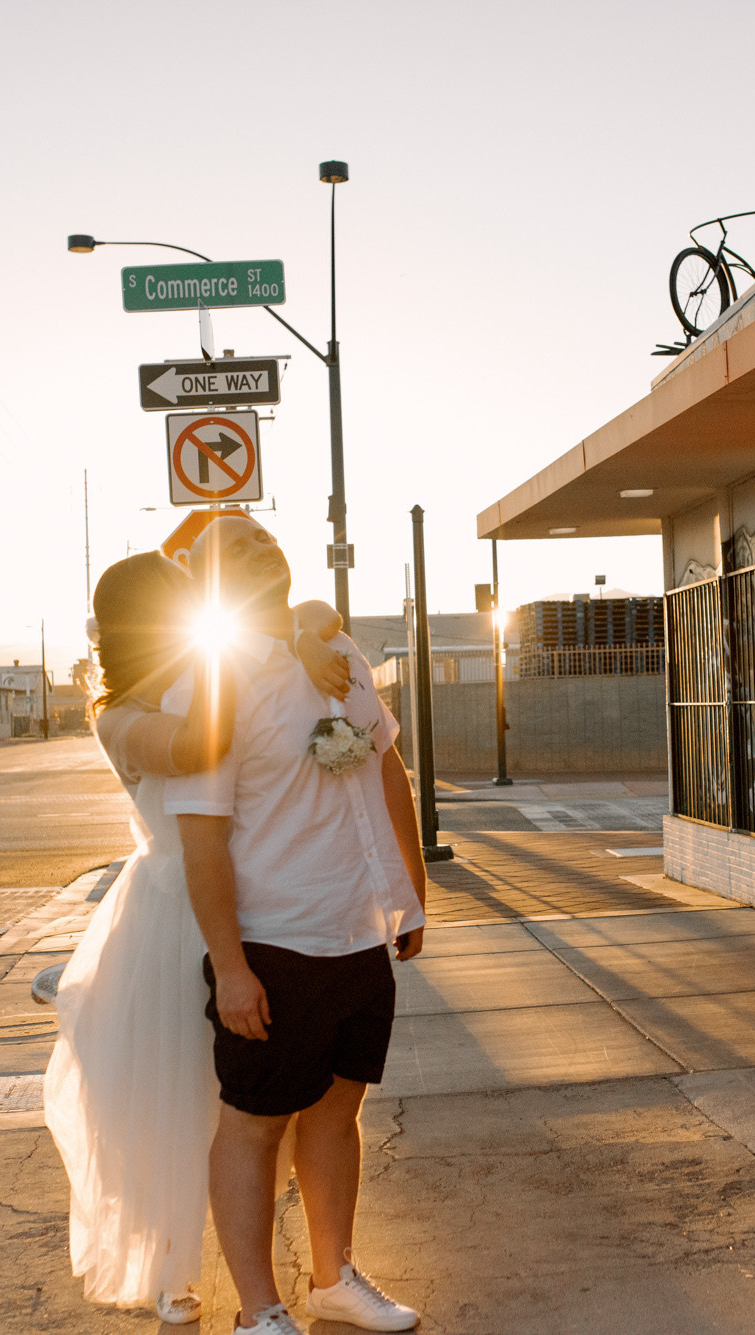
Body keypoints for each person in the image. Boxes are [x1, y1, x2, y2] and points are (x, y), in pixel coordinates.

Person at [44, 550, 348, 1325]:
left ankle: (263, 1262)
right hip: (169, 911)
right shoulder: (121, 714)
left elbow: (314, 609)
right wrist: (261, 648)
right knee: (175, 1099)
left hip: (241, 897)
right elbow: (202, 747)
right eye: (182, 598)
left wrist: (304, 633)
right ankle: (170, 1266)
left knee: (246, 1098)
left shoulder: (206, 670)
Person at [164, 515, 426, 1335]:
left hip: (356, 928)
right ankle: (259, 1311)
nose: (257, 549)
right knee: (252, 1123)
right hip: (273, 942)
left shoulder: (338, 656)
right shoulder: (208, 684)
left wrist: (410, 893)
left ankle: (333, 1277)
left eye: (262, 537)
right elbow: (201, 836)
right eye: (231, 548)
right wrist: (230, 965)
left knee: (338, 1111)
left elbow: (385, 766)